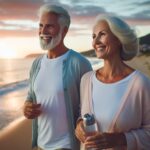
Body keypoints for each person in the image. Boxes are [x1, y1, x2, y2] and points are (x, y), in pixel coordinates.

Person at [23, 4, 92, 150]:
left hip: (66, 145)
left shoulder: (80, 63)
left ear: (64, 30)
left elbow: (90, 106)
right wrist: (26, 108)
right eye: (41, 25)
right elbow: (30, 96)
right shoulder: (36, 63)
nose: (43, 31)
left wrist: (82, 123)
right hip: (40, 145)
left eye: (49, 26)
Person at [75, 15, 150, 150]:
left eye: (102, 34)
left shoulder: (140, 83)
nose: (95, 41)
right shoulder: (86, 80)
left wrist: (118, 139)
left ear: (119, 39)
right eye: (93, 36)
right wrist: (79, 124)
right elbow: (83, 114)